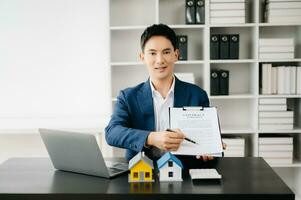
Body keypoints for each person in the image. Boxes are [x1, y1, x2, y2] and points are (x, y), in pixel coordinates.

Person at [105, 24, 224, 164]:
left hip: (183, 173)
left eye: (166, 52)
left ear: (176, 55)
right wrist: (151, 138)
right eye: (152, 53)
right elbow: (112, 133)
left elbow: (203, 140)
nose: (160, 60)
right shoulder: (128, 96)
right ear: (142, 57)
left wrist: (209, 148)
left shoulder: (197, 95)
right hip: (141, 173)